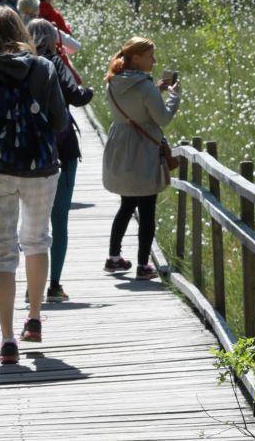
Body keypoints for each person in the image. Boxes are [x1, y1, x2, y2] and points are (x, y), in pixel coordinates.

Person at [0, 7, 68, 365]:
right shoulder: (44, 68)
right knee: (37, 240)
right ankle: (34, 319)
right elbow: (59, 122)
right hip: (41, 169)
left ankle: (7, 339)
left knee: (1, 253)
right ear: (20, 30)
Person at [101, 37, 180, 280]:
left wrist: (154, 90)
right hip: (143, 149)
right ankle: (143, 265)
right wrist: (173, 96)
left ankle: (114, 257)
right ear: (136, 58)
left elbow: (133, 106)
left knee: (126, 205)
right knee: (147, 209)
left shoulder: (113, 81)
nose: (154, 61)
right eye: (150, 56)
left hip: (120, 145)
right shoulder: (144, 86)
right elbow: (162, 118)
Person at [29, 19, 93, 302]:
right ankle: (54, 285)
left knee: (33, 223)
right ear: (53, 39)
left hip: (27, 151)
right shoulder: (54, 63)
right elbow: (76, 97)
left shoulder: (20, 64)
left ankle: (33, 286)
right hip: (60, 149)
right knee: (59, 219)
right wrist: (89, 91)